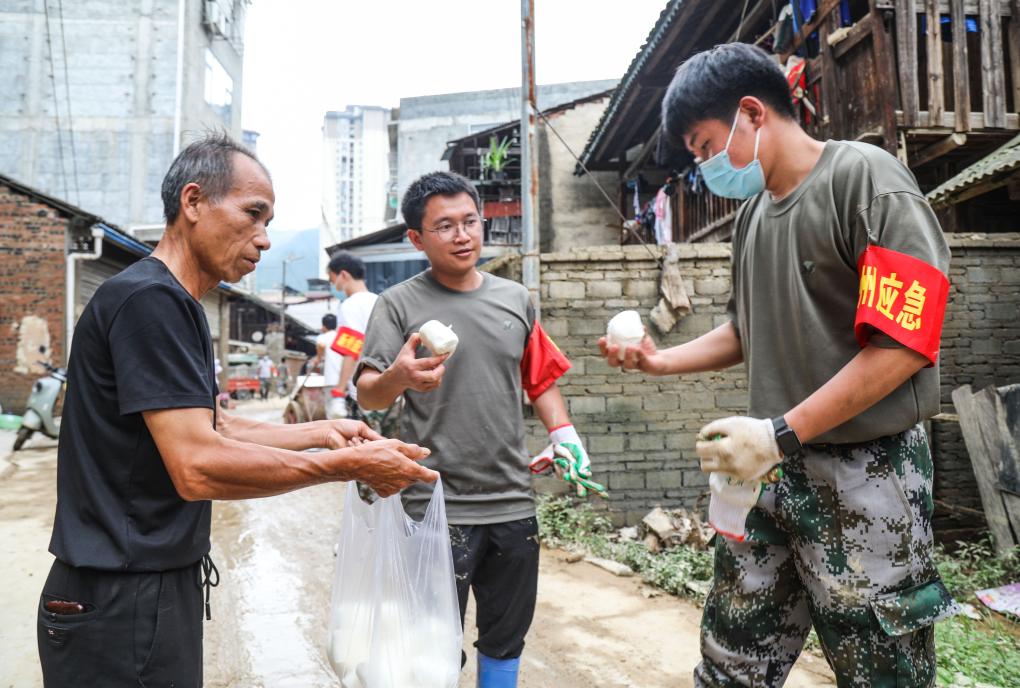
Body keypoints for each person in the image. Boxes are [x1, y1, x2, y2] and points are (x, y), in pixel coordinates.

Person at [600, 42, 958, 687]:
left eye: (705, 146)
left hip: (868, 472)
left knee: (884, 672)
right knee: (731, 663)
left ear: (750, 112)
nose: (705, 166)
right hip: (767, 470)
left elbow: (903, 344)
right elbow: (746, 329)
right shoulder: (753, 218)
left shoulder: (864, 180)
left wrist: (779, 432)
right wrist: (658, 362)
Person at [38, 133, 436, 688]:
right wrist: (346, 466)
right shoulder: (151, 300)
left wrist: (327, 432)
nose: (265, 239)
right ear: (193, 201)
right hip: (120, 594)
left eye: (269, 222)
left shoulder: (173, 302)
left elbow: (215, 425)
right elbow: (196, 465)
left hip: (136, 585)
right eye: (253, 214)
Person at [356, 171, 603, 687]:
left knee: (506, 638)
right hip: (434, 505)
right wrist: (399, 376)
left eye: (470, 221)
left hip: (512, 501)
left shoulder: (515, 298)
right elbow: (368, 393)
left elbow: (540, 379)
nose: (462, 235)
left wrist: (565, 436)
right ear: (417, 239)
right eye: (444, 226)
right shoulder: (397, 304)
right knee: (433, 645)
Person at [326, 251, 378, 420]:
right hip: (386, 387)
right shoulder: (379, 300)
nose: (333, 285)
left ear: (343, 275)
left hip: (363, 389)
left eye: (332, 280)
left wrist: (339, 391)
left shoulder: (350, 305)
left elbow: (352, 348)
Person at [313, 313, 343, 417]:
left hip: (331, 379)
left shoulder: (322, 337)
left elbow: (321, 347)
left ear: (324, 326)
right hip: (345, 379)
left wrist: (318, 359)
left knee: (331, 408)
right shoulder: (341, 336)